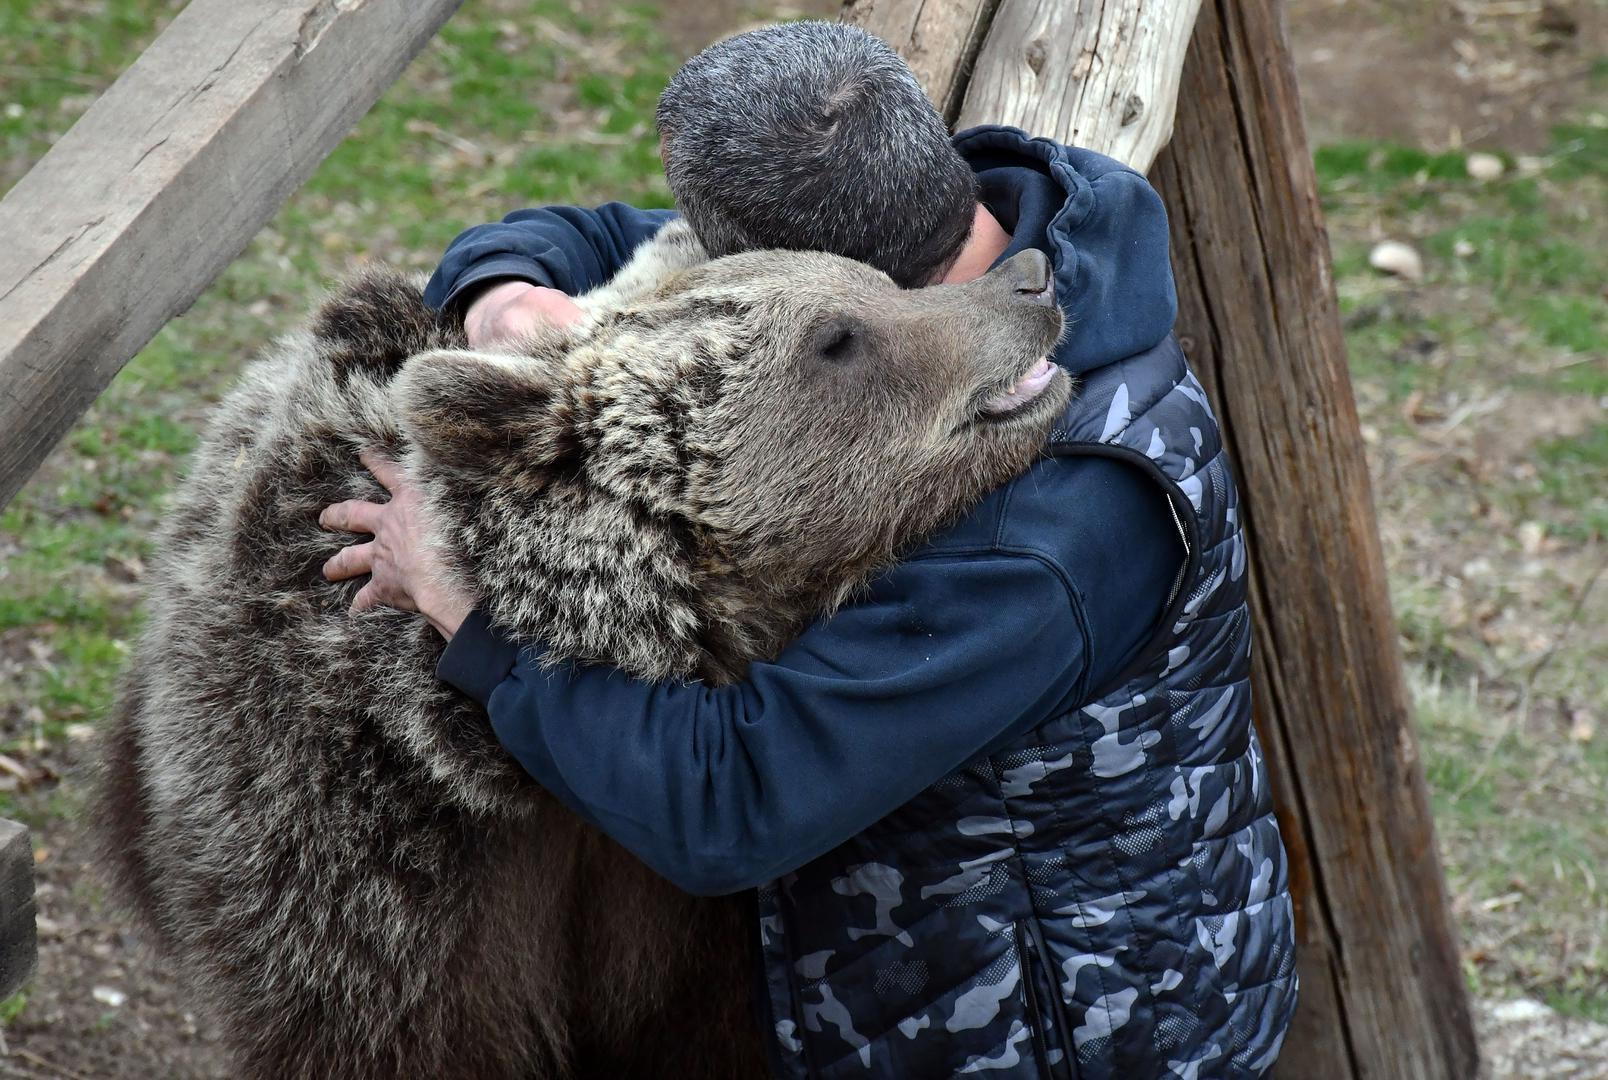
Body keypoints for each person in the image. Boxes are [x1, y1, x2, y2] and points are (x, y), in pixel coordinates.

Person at [319, 21, 1296, 1079]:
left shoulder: (1045, 529)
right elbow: (601, 235)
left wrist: (470, 617)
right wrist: (504, 292)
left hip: (1056, 1030)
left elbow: (730, 801)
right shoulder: (1015, 225)